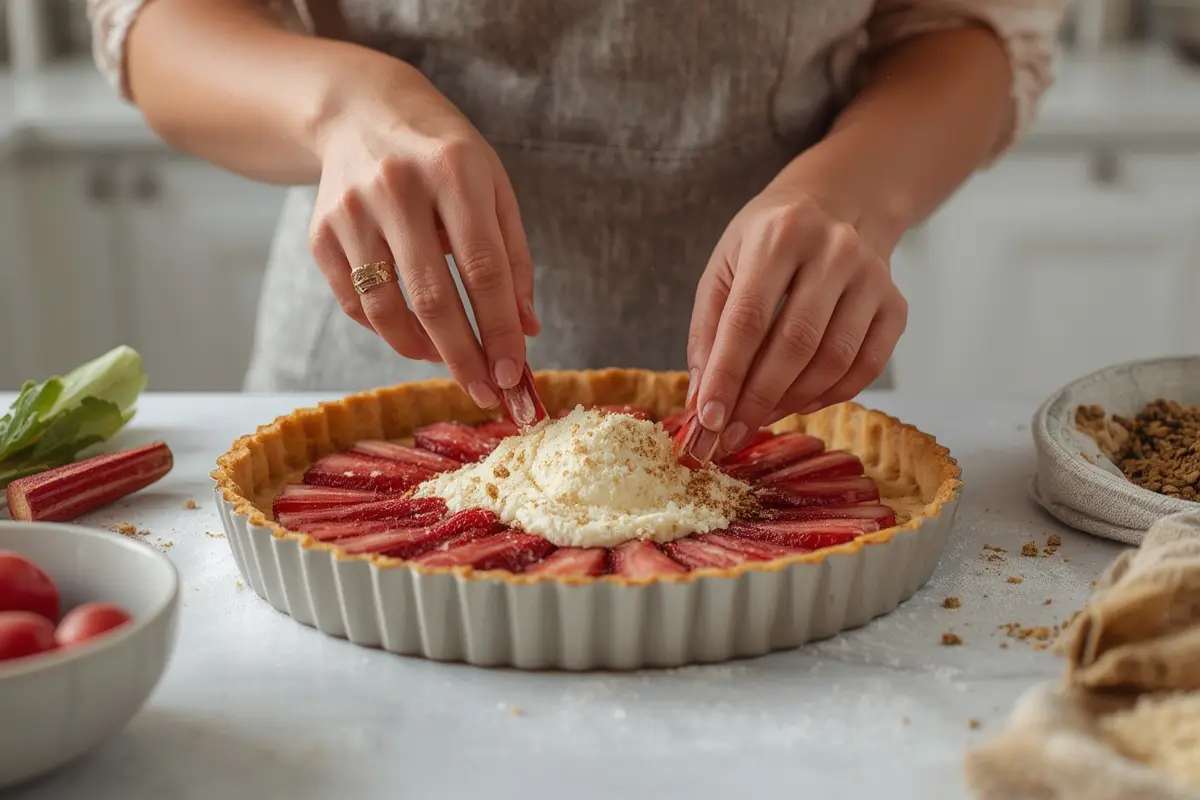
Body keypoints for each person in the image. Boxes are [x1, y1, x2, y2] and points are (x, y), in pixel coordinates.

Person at [89, 0, 1067, 462]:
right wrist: (339, 105)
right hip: (367, 391)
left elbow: (966, 27)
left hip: (782, 412)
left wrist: (859, 187)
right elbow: (150, 19)